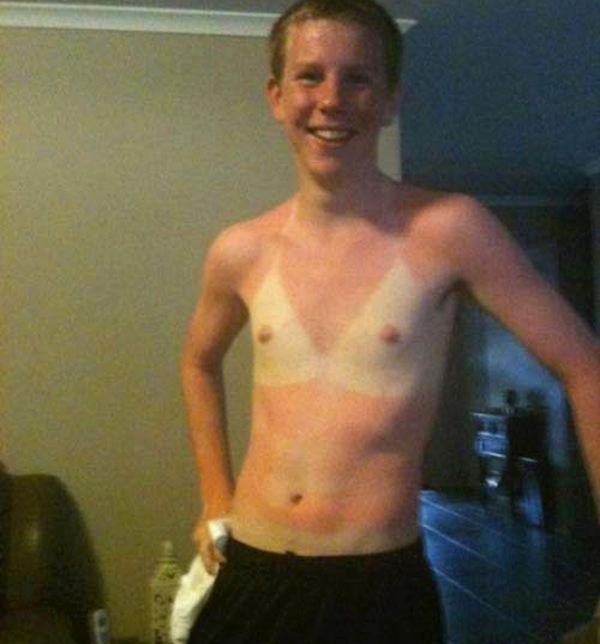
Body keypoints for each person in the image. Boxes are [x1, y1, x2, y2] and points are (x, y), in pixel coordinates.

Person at [180, 0, 600, 641]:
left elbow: (584, 364)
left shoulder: (450, 230)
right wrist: (216, 495)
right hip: (254, 570)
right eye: (310, 75)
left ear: (390, 99)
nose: (331, 99)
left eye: (358, 78)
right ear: (276, 96)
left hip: (378, 585)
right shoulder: (241, 250)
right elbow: (197, 362)